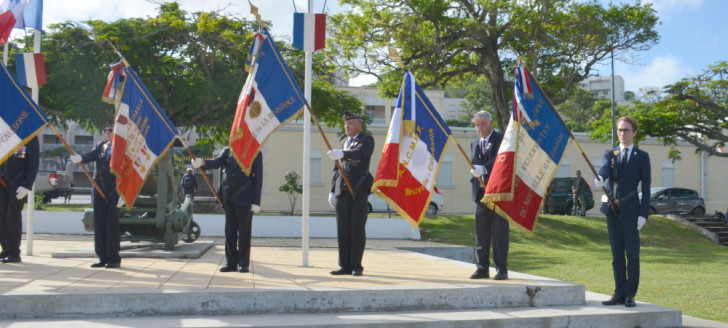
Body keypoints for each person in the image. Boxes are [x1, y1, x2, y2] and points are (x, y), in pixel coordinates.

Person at [594, 116, 651, 308]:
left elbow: (647, 187)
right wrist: (600, 177)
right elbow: (604, 170)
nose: (622, 133)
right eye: (619, 130)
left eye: (626, 130)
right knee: (617, 255)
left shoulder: (642, 157)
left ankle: (630, 295)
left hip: (632, 211)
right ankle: (619, 292)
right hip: (613, 211)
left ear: (634, 132)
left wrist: (644, 214)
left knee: (632, 255)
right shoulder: (611, 154)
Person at [192, 150, 262, 273]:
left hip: (245, 198)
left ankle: (243, 264)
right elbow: (216, 162)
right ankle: (231, 263)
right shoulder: (229, 150)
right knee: (230, 233)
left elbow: (259, 178)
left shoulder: (255, 151)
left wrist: (256, 201)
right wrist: (202, 162)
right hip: (229, 197)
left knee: (244, 233)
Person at [326, 111, 374, 277]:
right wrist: (332, 191)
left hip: (358, 192)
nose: (347, 126)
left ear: (359, 125)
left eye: (351, 123)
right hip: (342, 193)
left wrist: (343, 154)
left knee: (357, 229)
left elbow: (359, 153)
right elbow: (336, 170)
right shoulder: (342, 143)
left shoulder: (366, 140)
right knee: (343, 230)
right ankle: (344, 265)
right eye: (346, 124)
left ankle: (356, 266)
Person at [70, 121, 122, 269]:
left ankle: (114, 257)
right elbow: (90, 156)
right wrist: (80, 158)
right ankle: (102, 256)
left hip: (114, 191)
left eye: (110, 130)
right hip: (99, 191)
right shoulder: (100, 146)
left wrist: (123, 194)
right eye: (105, 130)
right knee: (99, 224)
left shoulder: (122, 148)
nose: (107, 132)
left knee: (112, 225)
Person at [468, 110, 509, 280]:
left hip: (499, 193)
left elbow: (501, 160)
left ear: (491, 123)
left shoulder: (501, 140)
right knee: (481, 232)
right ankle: (482, 267)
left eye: (483, 124)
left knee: (499, 232)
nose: (480, 128)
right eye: (477, 125)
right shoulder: (474, 143)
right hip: (481, 193)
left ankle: (501, 269)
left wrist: (484, 169)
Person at [0, 137, 39, 263]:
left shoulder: (29, 135)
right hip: (2, 179)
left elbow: (34, 162)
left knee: (12, 217)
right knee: (1, 216)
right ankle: (5, 249)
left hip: (19, 181)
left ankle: (14, 253)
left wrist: (27, 184)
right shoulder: (4, 131)